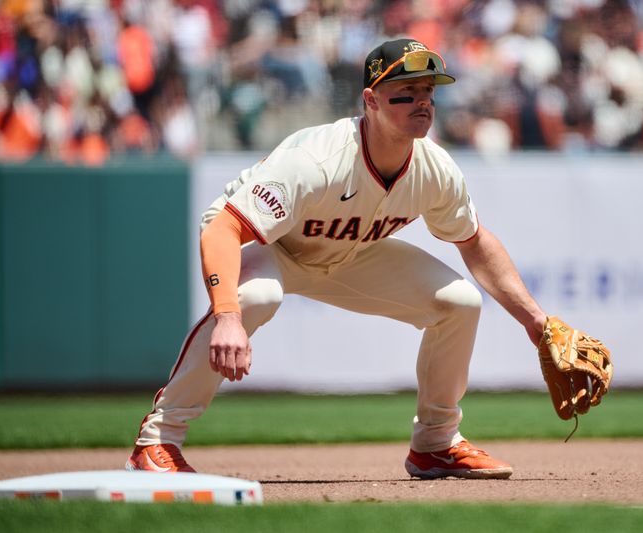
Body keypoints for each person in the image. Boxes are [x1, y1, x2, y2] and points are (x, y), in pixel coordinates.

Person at [126, 38, 547, 479]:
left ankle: (436, 445)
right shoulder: (317, 160)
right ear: (371, 100)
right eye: (406, 91)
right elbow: (223, 229)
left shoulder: (433, 169)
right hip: (271, 245)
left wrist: (533, 319)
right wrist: (227, 315)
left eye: (429, 91)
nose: (422, 102)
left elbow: (474, 242)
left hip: (347, 254)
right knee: (258, 298)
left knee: (460, 303)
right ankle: (157, 440)